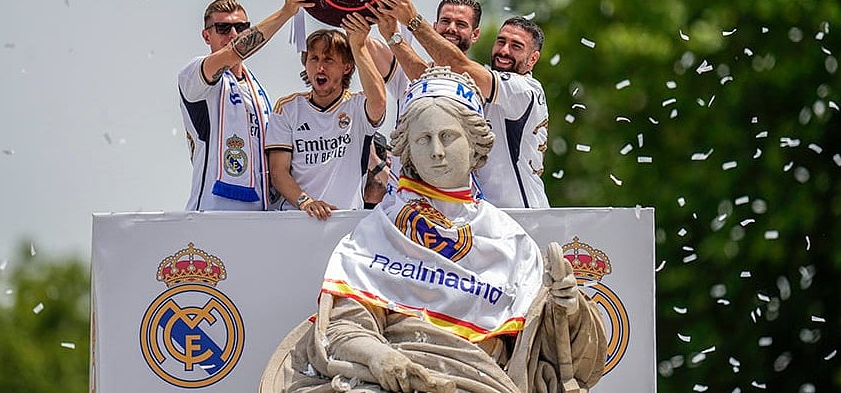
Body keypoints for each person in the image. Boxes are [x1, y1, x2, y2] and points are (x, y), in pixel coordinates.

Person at [260, 67, 606, 392]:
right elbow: (344, 327)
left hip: (480, 381)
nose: (437, 151)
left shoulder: (509, 239)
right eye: (423, 139)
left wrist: (569, 309)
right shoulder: (380, 229)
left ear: (475, 145)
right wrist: (379, 357)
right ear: (407, 149)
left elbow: (555, 356)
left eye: (448, 136)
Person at [370, 0, 550, 209]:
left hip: (521, 214)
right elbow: (429, 76)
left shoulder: (524, 89)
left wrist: (413, 21)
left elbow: (457, 66)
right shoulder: (486, 84)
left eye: (516, 46)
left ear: (533, 59)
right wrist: (390, 35)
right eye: (501, 41)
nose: (504, 51)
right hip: (481, 215)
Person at [178, 0, 315, 211]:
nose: (233, 34)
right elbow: (234, 51)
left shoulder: (257, 90)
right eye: (223, 28)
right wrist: (286, 12)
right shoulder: (195, 74)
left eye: (241, 28)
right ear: (206, 36)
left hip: (260, 214)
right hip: (213, 212)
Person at [265, 13, 386, 220]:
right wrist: (307, 202)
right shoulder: (287, 108)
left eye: (329, 59)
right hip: (296, 219)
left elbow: (379, 103)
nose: (320, 67)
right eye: (314, 59)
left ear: (347, 67)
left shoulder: (357, 106)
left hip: (346, 222)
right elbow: (278, 172)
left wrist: (358, 46)